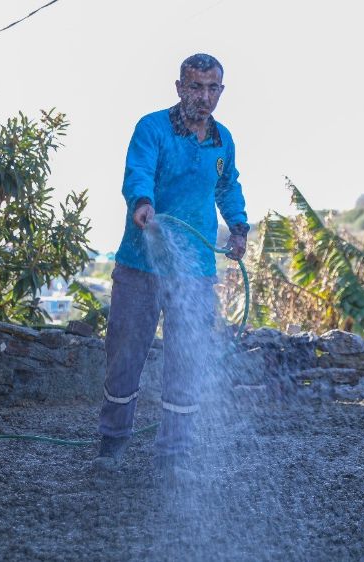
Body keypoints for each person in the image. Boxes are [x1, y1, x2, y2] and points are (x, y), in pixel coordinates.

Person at [93, 53, 249, 482]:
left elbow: (226, 185)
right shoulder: (152, 129)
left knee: (187, 359)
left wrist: (237, 227)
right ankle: (112, 444)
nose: (203, 96)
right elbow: (137, 172)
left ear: (221, 91)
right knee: (125, 354)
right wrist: (142, 204)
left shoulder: (222, 140)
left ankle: (174, 455)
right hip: (141, 263)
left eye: (211, 88)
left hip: (195, 269)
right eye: (194, 87)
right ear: (179, 88)